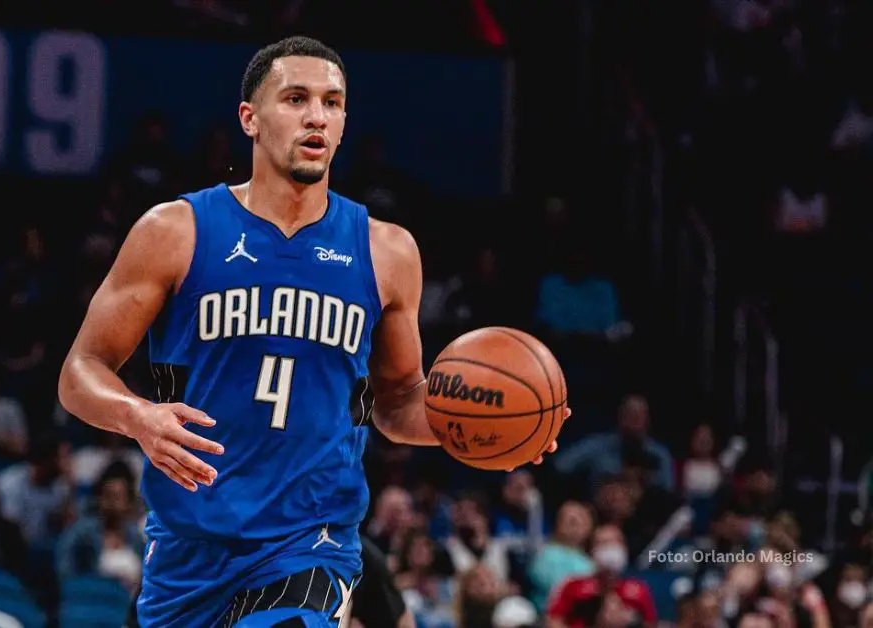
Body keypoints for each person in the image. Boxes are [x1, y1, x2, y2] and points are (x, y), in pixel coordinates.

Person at [58, 36, 566, 627]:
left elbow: (399, 401)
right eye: (296, 98)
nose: (316, 116)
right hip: (188, 549)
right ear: (250, 117)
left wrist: (489, 424)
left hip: (312, 541)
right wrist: (137, 416)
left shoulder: (387, 250)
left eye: (332, 102)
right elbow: (80, 372)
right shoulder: (175, 231)